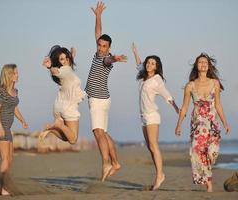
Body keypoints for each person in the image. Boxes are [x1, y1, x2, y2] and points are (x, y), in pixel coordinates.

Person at [175, 53, 231, 192]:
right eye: (200, 62)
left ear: (208, 66)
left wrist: (225, 122)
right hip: (198, 124)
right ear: (196, 66)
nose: (203, 64)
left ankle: (207, 174)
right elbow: (185, 107)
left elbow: (218, 105)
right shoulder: (190, 85)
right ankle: (208, 183)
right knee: (196, 151)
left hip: (212, 123)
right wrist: (179, 124)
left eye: (205, 62)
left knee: (211, 153)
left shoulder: (215, 83)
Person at [85, 1, 127, 182]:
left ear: (108, 48)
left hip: (97, 99)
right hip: (103, 99)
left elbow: (109, 61)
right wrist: (98, 16)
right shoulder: (97, 54)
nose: (101, 47)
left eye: (104, 46)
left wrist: (115, 59)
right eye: (99, 45)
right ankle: (115, 162)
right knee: (104, 133)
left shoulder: (106, 58)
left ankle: (106, 163)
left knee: (97, 132)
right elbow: (98, 33)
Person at [132, 43, 179, 190]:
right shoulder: (144, 77)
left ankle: (160, 175)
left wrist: (176, 107)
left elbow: (166, 93)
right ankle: (159, 173)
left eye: (153, 63)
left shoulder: (157, 79)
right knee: (149, 147)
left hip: (152, 116)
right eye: (148, 62)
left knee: (154, 145)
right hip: (143, 116)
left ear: (156, 66)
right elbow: (139, 65)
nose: (149, 64)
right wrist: (135, 52)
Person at [0, 64, 28, 195]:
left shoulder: (15, 91)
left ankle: (0, 186)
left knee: (9, 159)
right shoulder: (1, 91)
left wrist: (22, 120)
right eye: (15, 73)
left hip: (7, 127)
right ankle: (0, 187)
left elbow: (15, 108)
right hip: (0, 127)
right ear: (9, 75)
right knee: (5, 159)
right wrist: (0, 128)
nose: (18, 75)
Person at [39, 45, 85, 144]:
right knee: (73, 139)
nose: (65, 60)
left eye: (66, 58)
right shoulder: (65, 71)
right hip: (68, 107)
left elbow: (66, 66)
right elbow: (57, 71)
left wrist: (72, 55)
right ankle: (58, 125)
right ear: (58, 62)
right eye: (62, 59)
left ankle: (51, 129)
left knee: (65, 136)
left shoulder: (66, 70)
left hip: (58, 106)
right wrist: (50, 67)